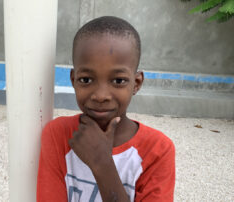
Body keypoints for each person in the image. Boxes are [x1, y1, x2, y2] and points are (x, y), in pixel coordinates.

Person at [37, 16, 175, 202]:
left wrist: (101, 163)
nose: (100, 95)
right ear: (73, 80)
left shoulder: (157, 150)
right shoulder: (57, 135)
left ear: (136, 83)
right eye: (86, 79)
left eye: (118, 81)